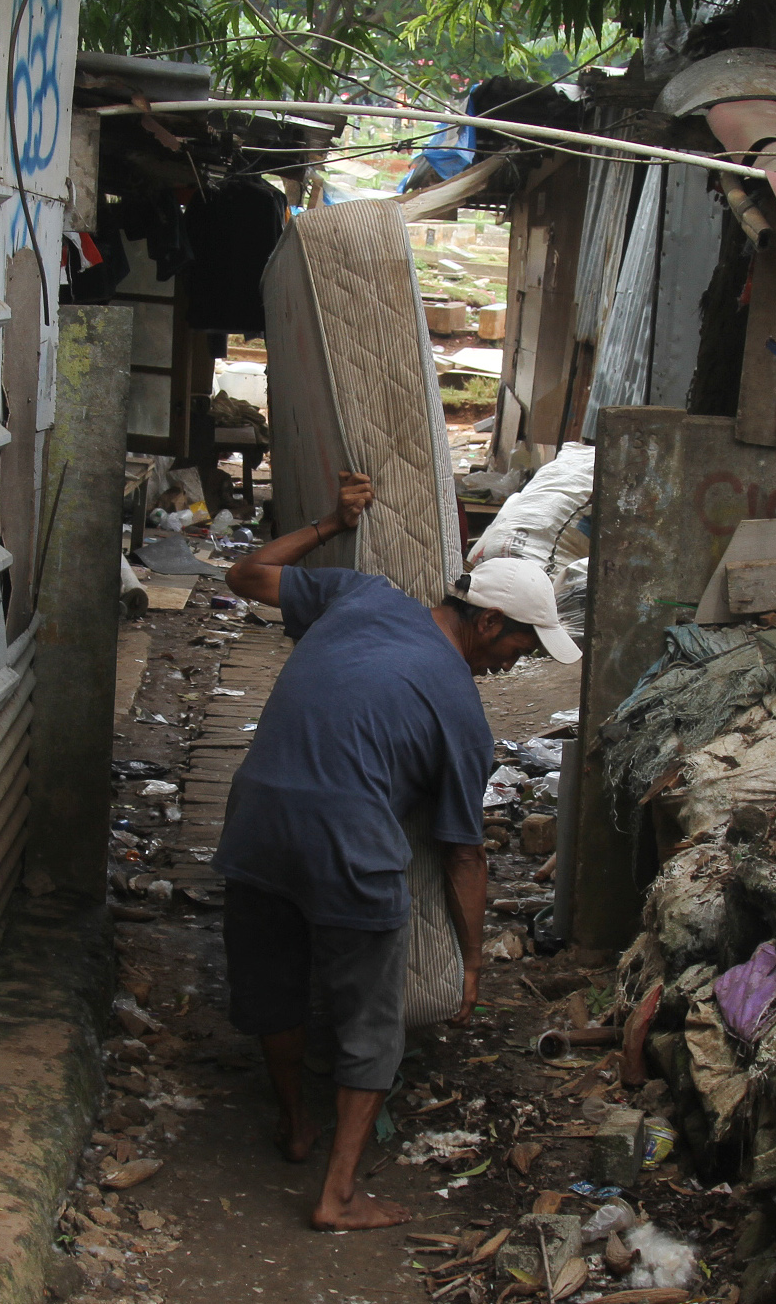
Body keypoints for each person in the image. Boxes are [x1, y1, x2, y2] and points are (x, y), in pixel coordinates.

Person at [216, 470, 582, 1232]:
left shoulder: (363, 596)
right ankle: (337, 1193)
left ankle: (294, 1127)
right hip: (349, 847)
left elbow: (244, 574)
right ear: (485, 623)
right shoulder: (462, 714)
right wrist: (471, 962)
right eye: (520, 643)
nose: (517, 661)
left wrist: (325, 524)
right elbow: (462, 855)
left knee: (274, 982)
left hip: (253, 819)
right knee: (370, 1024)